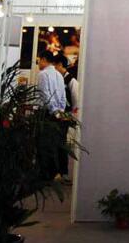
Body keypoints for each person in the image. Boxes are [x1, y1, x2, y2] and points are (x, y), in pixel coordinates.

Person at [36, 51, 67, 181]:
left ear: (44, 59)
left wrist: (54, 110)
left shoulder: (43, 74)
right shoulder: (59, 75)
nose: (38, 63)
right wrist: (60, 111)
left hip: (46, 114)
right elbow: (63, 96)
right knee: (54, 144)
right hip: (58, 114)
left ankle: (45, 175)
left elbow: (45, 95)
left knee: (43, 145)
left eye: (39, 60)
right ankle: (54, 173)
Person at [54, 53, 79, 185]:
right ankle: (57, 172)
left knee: (62, 144)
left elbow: (76, 102)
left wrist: (70, 116)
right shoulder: (57, 79)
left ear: (60, 65)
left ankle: (63, 173)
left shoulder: (71, 81)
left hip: (65, 118)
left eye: (54, 65)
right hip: (56, 116)